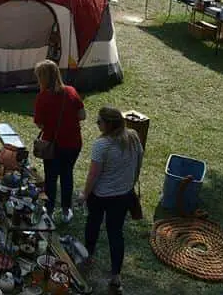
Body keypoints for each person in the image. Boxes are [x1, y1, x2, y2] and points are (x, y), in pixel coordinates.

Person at [80, 106, 143, 295]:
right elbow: (139, 161)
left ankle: (88, 255)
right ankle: (116, 276)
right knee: (116, 233)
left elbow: (93, 175)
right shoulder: (133, 136)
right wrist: (130, 182)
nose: (97, 124)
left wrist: (84, 194)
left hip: (100, 195)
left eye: (99, 122)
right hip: (123, 195)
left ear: (108, 124)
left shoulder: (102, 145)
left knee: (93, 224)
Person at [33, 60, 86, 223]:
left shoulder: (43, 97)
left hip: (53, 145)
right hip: (73, 143)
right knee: (67, 175)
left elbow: (39, 123)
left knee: (51, 177)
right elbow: (82, 115)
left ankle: (48, 210)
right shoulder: (71, 91)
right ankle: (66, 210)